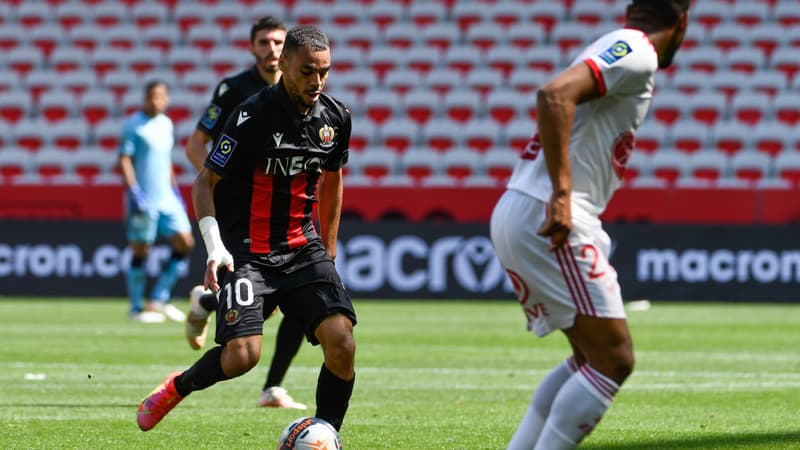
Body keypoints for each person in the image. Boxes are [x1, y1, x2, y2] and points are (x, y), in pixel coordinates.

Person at [137, 25, 357, 434]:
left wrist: (328, 248)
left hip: (302, 248)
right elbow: (204, 180)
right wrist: (215, 246)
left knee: (342, 344)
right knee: (241, 356)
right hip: (249, 249)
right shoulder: (250, 114)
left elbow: (333, 180)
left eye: (324, 71)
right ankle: (176, 387)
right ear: (285, 64)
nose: (317, 81)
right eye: (308, 71)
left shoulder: (336, 116)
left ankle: (327, 435)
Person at [490, 1, 689, 448]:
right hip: (552, 210)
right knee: (613, 359)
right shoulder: (636, 49)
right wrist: (561, 194)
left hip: (529, 206)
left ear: (633, 8)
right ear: (683, 22)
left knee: (589, 358)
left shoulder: (624, 48)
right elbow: (554, 94)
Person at [183, 15, 307, 410]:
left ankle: (271, 385)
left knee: (299, 297)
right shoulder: (233, 90)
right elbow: (195, 145)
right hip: (241, 214)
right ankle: (209, 304)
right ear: (252, 47)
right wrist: (220, 185)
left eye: (277, 42)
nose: (271, 50)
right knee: (264, 300)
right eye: (264, 42)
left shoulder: (303, 89)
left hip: (287, 209)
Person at [119, 80, 192, 323]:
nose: (156, 101)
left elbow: (166, 160)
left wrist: (176, 190)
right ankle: (136, 307)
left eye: (161, 96)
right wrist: (134, 191)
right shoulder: (133, 125)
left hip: (167, 197)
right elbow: (125, 160)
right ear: (145, 98)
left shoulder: (167, 124)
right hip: (144, 198)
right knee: (141, 249)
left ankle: (159, 298)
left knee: (185, 241)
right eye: (152, 96)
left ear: (167, 99)